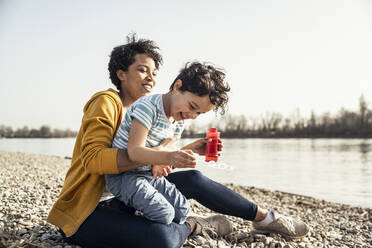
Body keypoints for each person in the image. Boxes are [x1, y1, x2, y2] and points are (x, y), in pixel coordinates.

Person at [47, 34, 309, 248]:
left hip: (130, 193)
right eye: (142, 70)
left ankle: (266, 218)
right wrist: (162, 153)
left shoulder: (154, 112)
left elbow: (154, 161)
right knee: (161, 239)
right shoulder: (107, 103)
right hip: (89, 210)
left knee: (193, 178)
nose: (151, 77)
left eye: (154, 72)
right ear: (121, 74)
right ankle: (195, 225)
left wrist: (185, 151)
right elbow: (94, 161)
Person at [105, 62, 230, 227]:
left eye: (199, 113)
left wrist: (190, 150)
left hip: (148, 175)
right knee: (164, 213)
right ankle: (122, 223)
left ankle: (161, 224)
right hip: (124, 177)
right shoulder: (148, 107)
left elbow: (164, 153)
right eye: (192, 106)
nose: (192, 115)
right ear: (177, 86)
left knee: (183, 211)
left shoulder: (178, 120)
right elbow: (134, 152)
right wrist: (169, 157)